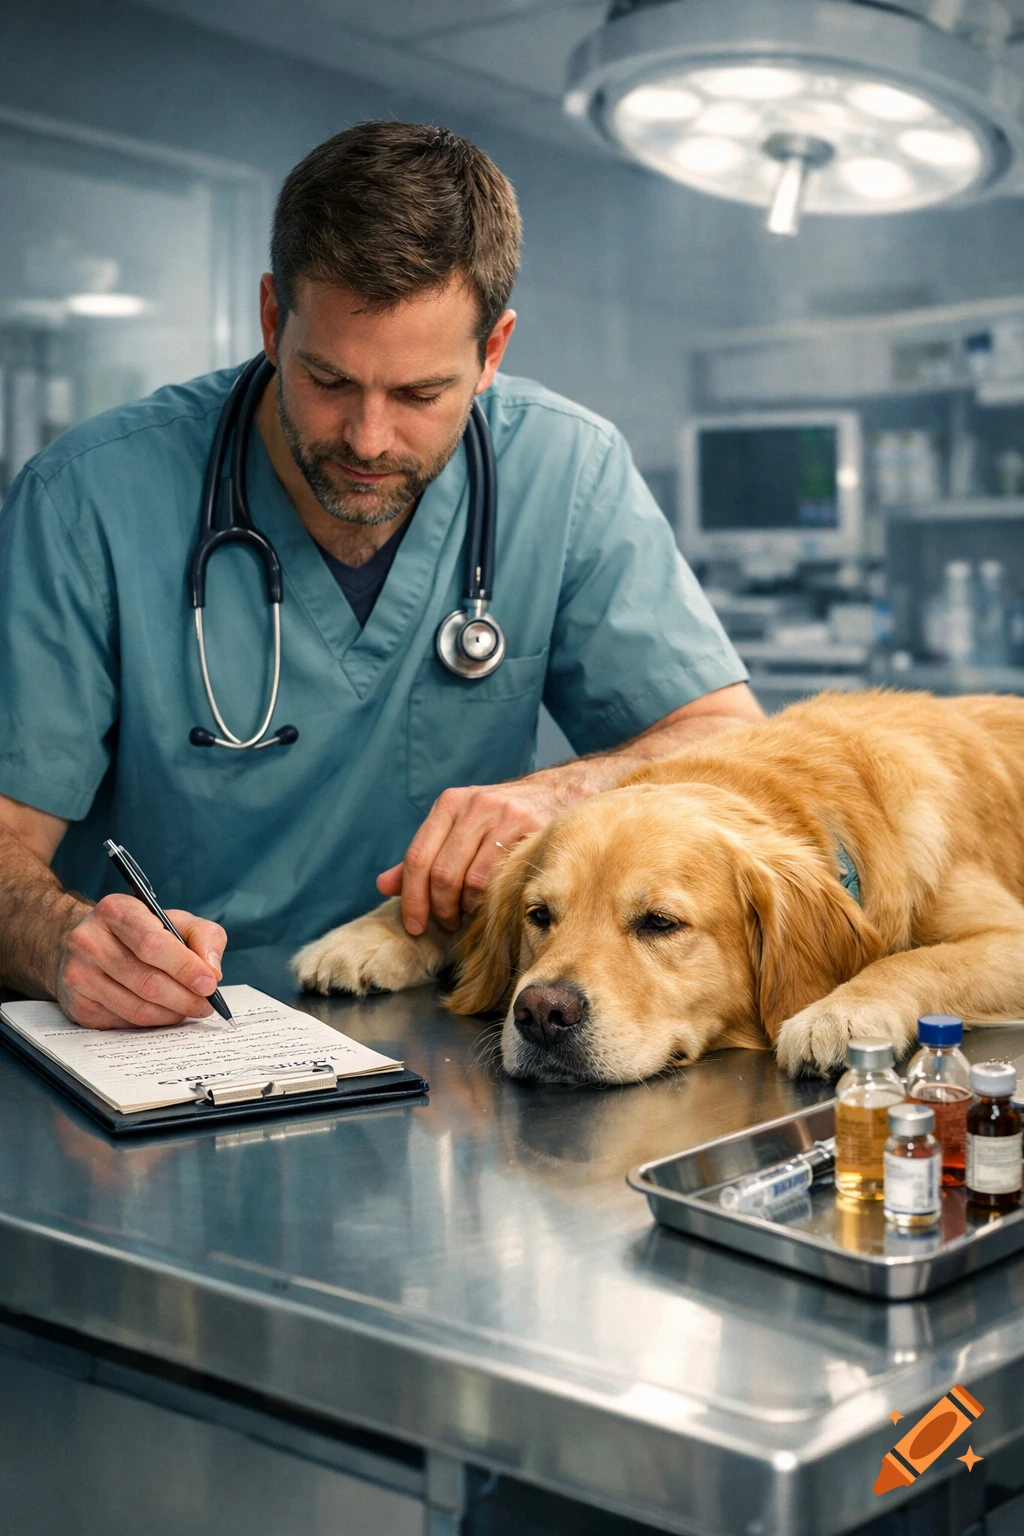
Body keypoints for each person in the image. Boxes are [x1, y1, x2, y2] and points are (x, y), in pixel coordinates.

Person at [0, 121, 760, 1031]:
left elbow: (724, 742)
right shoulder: (86, 498)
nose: (367, 439)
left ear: (494, 352)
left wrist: (561, 791)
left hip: (448, 1048)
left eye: (419, 395)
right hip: (165, 1046)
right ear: (273, 320)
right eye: (328, 380)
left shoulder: (566, 471)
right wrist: (58, 940)